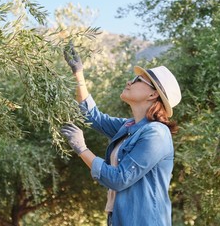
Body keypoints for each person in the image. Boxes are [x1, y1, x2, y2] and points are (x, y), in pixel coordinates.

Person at [61, 43, 182, 226]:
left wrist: (82, 149)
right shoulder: (129, 126)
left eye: (138, 80)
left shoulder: (156, 134)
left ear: (153, 95)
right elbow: (93, 117)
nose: (129, 82)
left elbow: (119, 178)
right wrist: (78, 73)